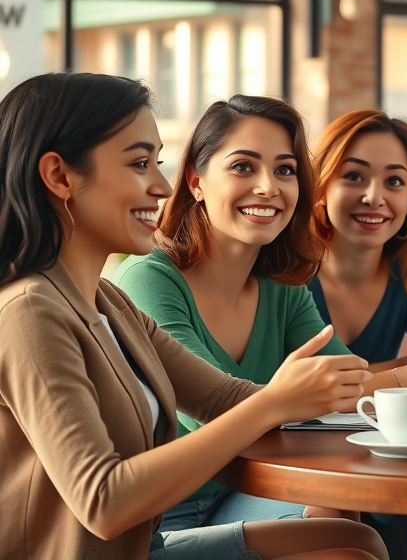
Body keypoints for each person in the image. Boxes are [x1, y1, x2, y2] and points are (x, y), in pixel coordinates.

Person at [0, 73, 386, 560]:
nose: (162, 187)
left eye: (157, 163)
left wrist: (300, 394)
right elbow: (102, 503)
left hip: (146, 546)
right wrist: (275, 402)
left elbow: (223, 399)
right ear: (59, 176)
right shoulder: (30, 311)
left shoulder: (106, 302)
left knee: (354, 539)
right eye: (139, 163)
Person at [113, 96, 374, 543]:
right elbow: (210, 416)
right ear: (196, 181)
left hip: (241, 489)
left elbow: (342, 386)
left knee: (347, 507)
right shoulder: (147, 281)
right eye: (243, 167)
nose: (268, 187)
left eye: (285, 170)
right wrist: (293, 398)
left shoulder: (281, 285)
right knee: (343, 528)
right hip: (159, 516)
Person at [307, 109, 407, 560]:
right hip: (301, 456)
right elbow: (305, 386)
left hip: (382, 445)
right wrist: (403, 374)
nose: (374, 196)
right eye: (354, 176)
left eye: (394, 181)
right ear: (322, 186)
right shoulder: (290, 269)